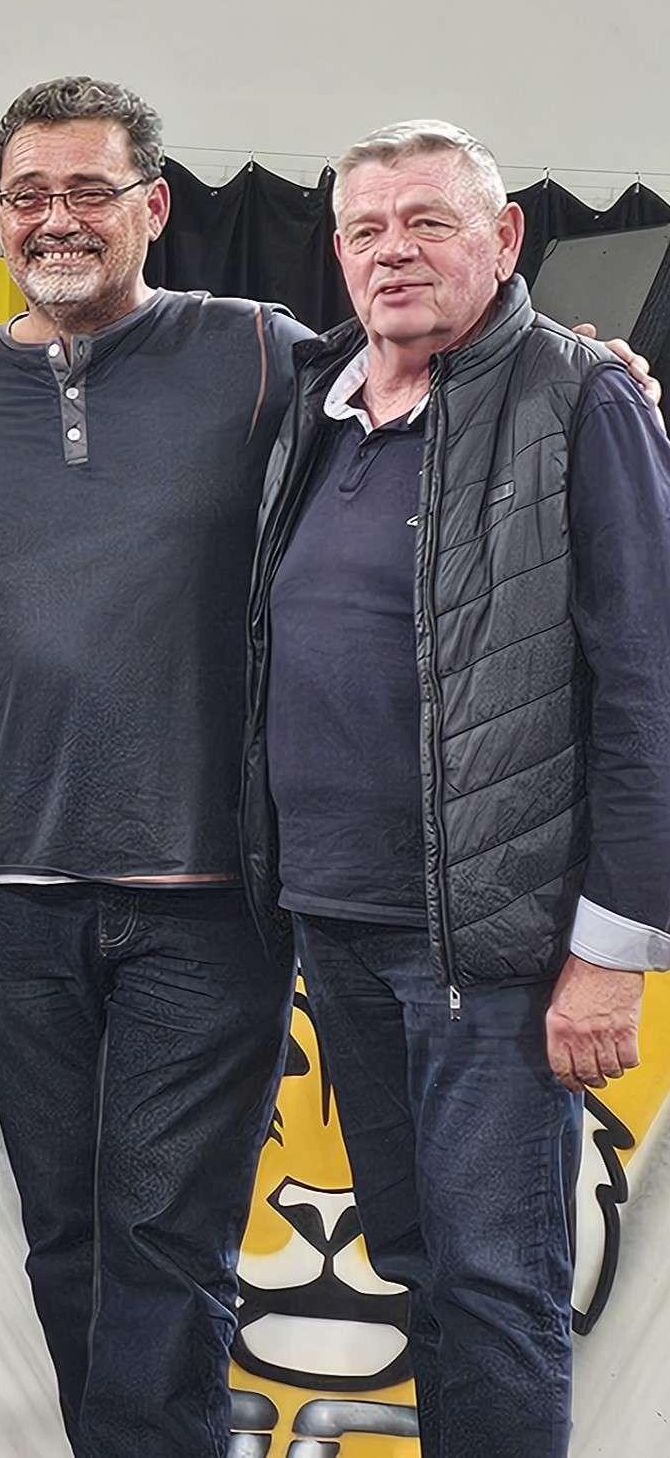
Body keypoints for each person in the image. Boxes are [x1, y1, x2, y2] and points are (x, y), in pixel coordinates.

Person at [0, 81, 660, 1457]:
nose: (57, 218)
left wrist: (585, 371)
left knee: (186, 1235)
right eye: (28, 193)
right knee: (72, 1232)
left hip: (219, 887)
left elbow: (473, 393)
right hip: (21, 884)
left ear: (153, 207)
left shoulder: (265, 358)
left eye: (91, 191)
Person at [243, 120, 670, 1457]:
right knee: (423, 1264)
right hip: (336, 920)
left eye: (426, 221)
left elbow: (648, 682)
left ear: (503, 239)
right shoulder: (311, 402)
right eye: (365, 229)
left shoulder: (577, 397)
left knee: (494, 1289)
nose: (393, 251)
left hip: (495, 945)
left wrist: (612, 952)